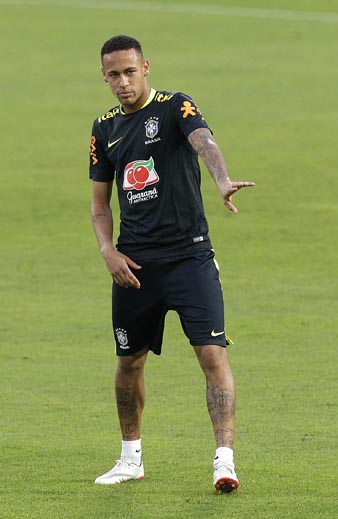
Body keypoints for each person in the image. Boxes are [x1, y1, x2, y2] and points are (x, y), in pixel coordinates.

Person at [89, 35, 254, 493]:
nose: (123, 82)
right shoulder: (104, 130)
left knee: (212, 355)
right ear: (103, 77)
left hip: (189, 258)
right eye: (113, 75)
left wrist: (221, 180)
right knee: (129, 363)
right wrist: (107, 250)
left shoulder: (175, 106)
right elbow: (100, 205)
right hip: (135, 266)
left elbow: (204, 142)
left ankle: (225, 461)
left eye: (130, 71)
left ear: (146, 67)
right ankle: (129, 460)